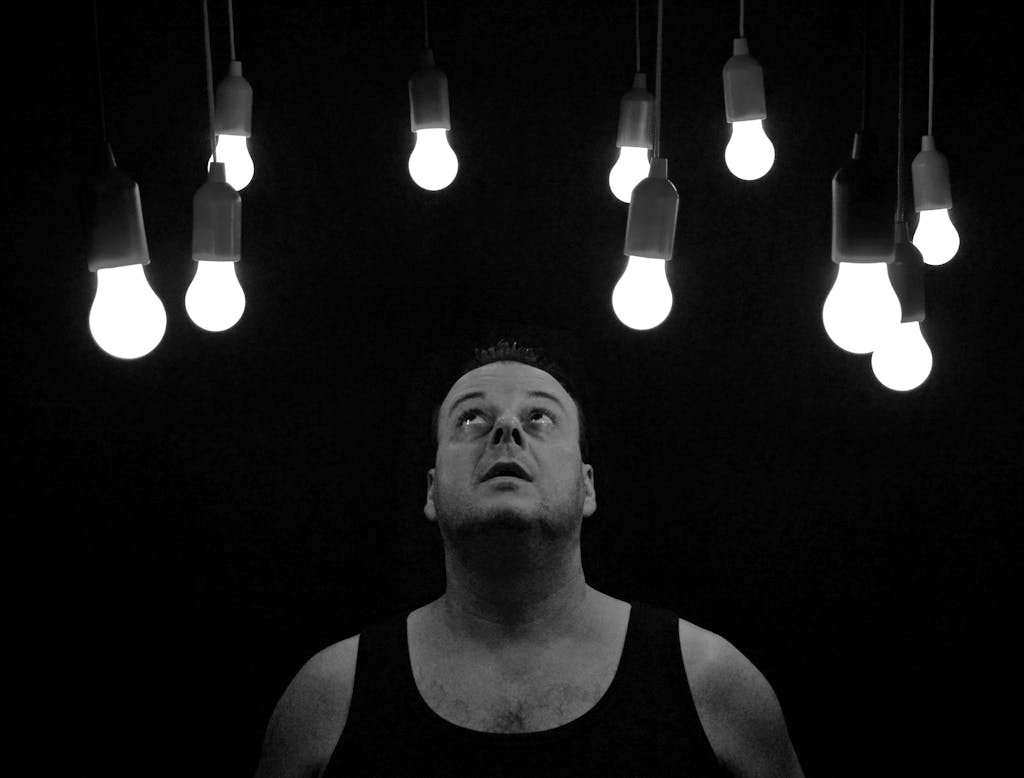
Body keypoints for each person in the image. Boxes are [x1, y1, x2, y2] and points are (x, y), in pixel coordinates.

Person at [253, 339, 805, 777]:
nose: (506, 428)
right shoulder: (327, 696)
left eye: (541, 417)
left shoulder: (713, 682)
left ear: (587, 486)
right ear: (430, 489)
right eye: (470, 418)